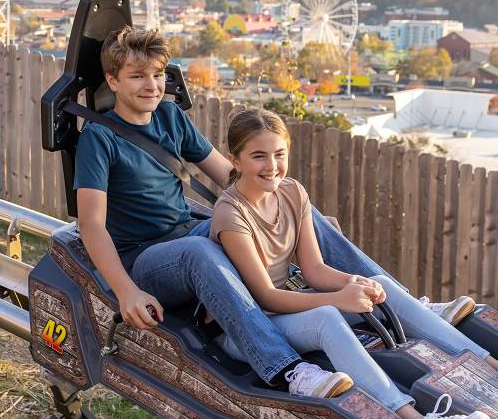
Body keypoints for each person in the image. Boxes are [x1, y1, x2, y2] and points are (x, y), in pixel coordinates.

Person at [210, 108, 498, 419]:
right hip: (251, 331)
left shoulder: (292, 192)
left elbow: (315, 270)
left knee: (378, 280)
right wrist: (338, 299)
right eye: (258, 156)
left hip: (290, 308)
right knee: (326, 318)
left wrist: (356, 283)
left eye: (279, 154)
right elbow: (266, 297)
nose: (271, 166)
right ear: (236, 159)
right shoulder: (230, 214)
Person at [74, 26, 353, 399]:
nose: (151, 85)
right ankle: (288, 370)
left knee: (291, 198)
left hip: (188, 230)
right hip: (143, 260)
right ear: (113, 80)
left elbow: (233, 178)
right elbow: (91, 225)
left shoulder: (170, 117)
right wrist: (126, 293)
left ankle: (395, 299)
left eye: (157, 75)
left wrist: (295, 214)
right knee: (199, 251)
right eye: (137, 76)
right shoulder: (99, 137)